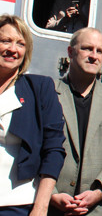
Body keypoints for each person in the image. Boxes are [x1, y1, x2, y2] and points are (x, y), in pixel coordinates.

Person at [50, 27, 102, 216]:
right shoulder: (49, 92)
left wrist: (98, 192)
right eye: (87, 48)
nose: (94, 56)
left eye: (99, 50)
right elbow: (36, 148)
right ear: (70, 52)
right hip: (52, 207)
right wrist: (51, 194)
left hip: (97, 209)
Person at [0, 14, 66, 216]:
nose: (13, 49)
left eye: (21, 44)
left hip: (16, 204)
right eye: (5, 41)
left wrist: (41, 206)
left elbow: (54, 150)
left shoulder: (39, 88)